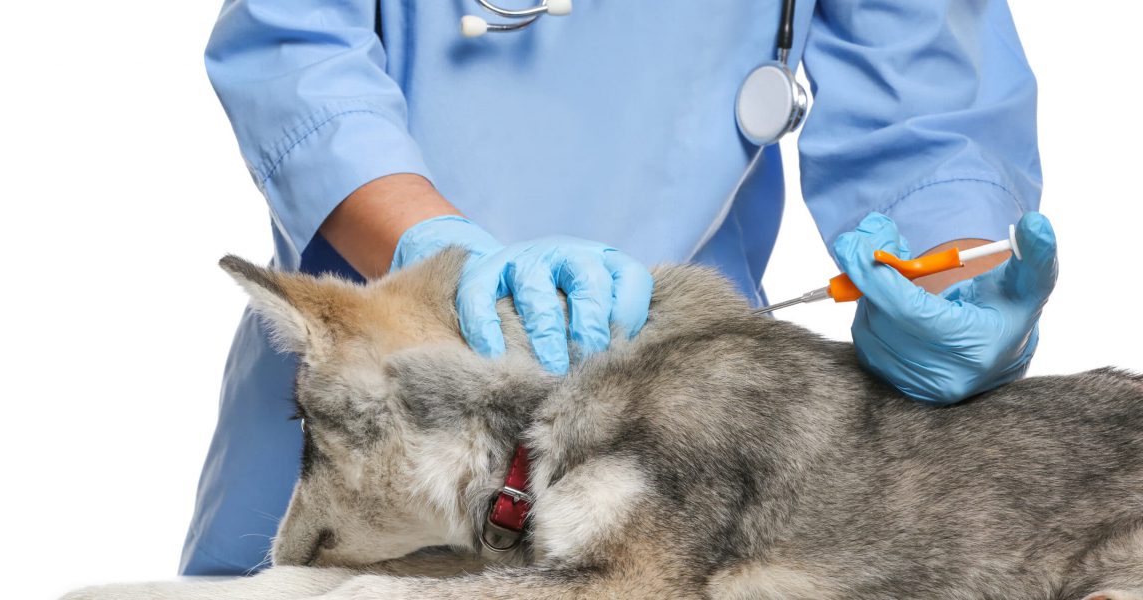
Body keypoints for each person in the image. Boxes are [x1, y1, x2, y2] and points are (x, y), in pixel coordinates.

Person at [180, 0, 1058, 575]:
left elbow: (928, 97)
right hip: (374, 409)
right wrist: (433, 246)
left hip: (678, 443)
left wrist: (950, 266)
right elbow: (291, 41)